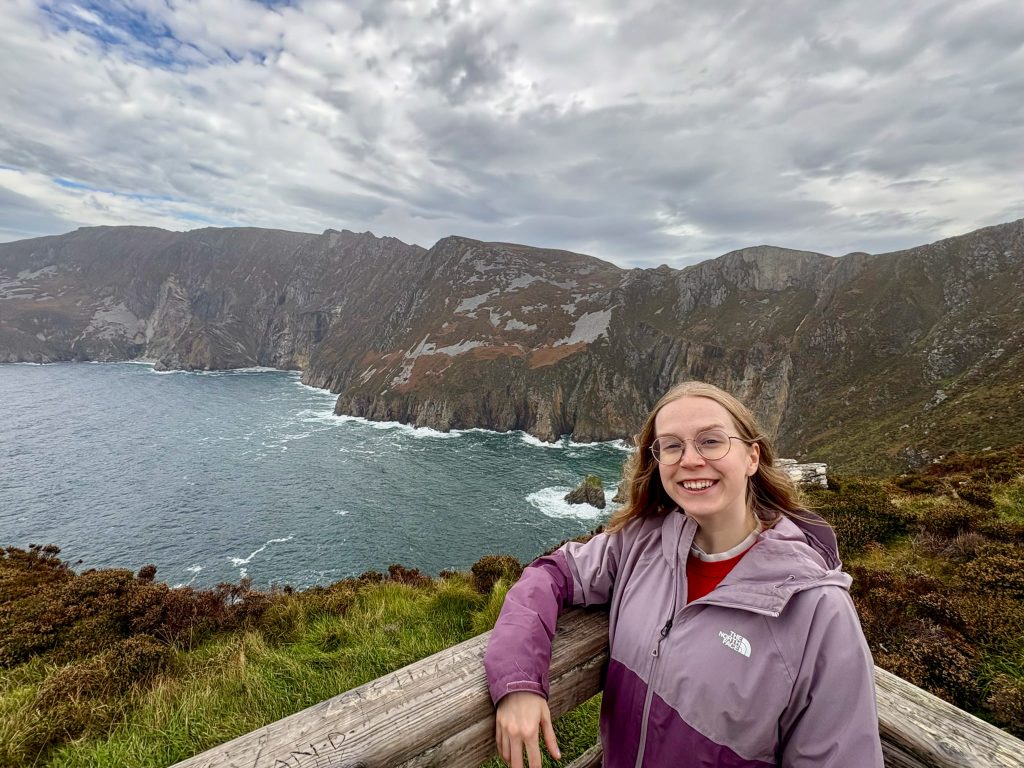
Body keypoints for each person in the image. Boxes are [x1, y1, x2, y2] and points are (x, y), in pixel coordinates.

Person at [484, 381, 883, 767]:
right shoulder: (640, 543)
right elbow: (548, 575)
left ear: (752, 457)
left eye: (711, 441)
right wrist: (518, 681)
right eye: (672, 446)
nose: (690, 459)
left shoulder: (817, 609)